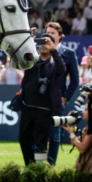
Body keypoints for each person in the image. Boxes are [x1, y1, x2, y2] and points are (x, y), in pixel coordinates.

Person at [17, 34, 65, 165]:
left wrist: (54, 50)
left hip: (44, 110)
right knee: (24, 139)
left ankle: (39, 171)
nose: (43, 44)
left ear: (52, 45)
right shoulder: (31, 60)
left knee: (40, 143)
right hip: (27, 107)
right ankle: (29, 167)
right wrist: (27, 40)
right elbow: (17, 59)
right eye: (41, 42)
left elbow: (62, 69)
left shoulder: (54, 63)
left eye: (47, 42)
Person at [46, 22, 79, 165]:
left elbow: (75, 80)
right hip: (40, 99)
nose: (49, 35)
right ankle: (37, 166)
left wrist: (65, 97)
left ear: (60, 36)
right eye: (47, 32)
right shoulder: (40, 50)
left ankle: (50, 165)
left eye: (52, 33)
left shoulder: (68, 53)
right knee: (38, 133)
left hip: (57, 101)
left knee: (54, 135)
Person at [62, 106, 92, 177]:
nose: (82, 112)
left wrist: (70, 132)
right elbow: (74, 143)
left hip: (91, 165)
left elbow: (82, 149)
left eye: (86, 110)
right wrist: (73, 127)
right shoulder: (88, 126)